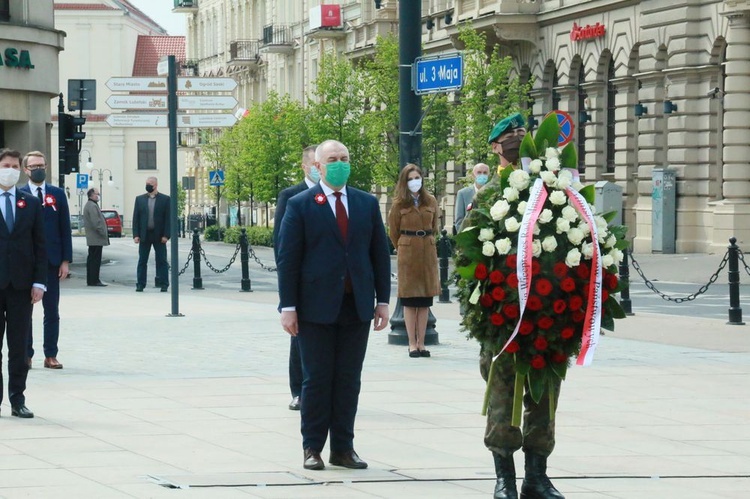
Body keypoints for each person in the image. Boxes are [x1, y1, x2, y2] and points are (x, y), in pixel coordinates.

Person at [276, 139, 391, 471]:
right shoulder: (300, 204)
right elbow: (289, 259)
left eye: (344, 158)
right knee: (317, 379)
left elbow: (379, 254)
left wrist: (382, 301)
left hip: (355, 306)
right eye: (332, 159)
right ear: (318, 166)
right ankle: (312, 447)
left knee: (348, 379)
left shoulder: (366, 203)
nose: (339, 163)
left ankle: (343, 447)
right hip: (314, 308)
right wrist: (288, 306)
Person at [476, 113, 563, 499]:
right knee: (503, 396)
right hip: (505, 316)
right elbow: (473, 257)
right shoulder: (489, 196)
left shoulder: (554, 188)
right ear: (496, 147)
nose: (516, 141)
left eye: (520, 136)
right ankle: (504, 477)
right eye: (509, 137)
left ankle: (537, 476)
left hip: (548, 314)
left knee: (544, 397)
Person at [0, 148, 46, 418]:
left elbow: (40, 246)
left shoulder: (29, 203)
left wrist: (40, 281)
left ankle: (18, 399)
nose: (10, 169)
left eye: (15, 166)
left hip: (21, 286)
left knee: (18, 347)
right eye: (6, 165)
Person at [273, 145, 318, 412]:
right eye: (315, 163)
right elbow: (281, 243)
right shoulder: (290, 196)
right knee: (298, 338)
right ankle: (298, 391)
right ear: (305, 166)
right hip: (301, 281)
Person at [20, 151, 72, 369]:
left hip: (51, 261)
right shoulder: (18, 193)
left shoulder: (57, 194)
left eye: (41, 165)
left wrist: (65, 261)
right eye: (33, 166)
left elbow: (65, 228)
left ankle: (50, 354)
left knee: (52, 310)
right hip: (25, 262)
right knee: (25, 311)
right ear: (26, 170)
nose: (37, 169)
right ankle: (26, 353)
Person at [387, 163, 440, 358]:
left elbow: (435, 226)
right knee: (410, 302)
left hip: (427, 249)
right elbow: (393, 231)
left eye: (417, 178)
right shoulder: (399, 203)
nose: (414, 182)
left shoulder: (431, 200)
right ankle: (411, 343)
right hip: (408, 252)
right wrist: (404, 245)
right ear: (404, 182)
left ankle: (422, 343)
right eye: (410, 179)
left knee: (425, 301)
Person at [132, 177, 170, 292]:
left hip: (159, 236)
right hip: (144, 235)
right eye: (147, 183)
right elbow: (136, 218)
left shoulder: (165, 199)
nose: (148, 185)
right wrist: (136, 235)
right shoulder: (140, 199)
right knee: (142, 260)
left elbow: (168, 219)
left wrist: (166, 235)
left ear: (156, 185)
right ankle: (140, 284)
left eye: (150, 184)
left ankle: (164, 284)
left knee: (162, 260)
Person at [82, 188, 110, 287]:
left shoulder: (90, 205)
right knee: (95, 260)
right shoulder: (92, 206)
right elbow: (96, 222)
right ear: (91, 195)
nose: (98, 196)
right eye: (96, 194)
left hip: (94, 238)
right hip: (96, 238)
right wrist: (103, 232)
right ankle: (94, 280)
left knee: (92, 259)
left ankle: (92, 280)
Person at [454, 162, 490, 233]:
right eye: (479, 172)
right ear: (473, 175)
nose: (482, 175)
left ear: (488, 175)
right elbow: (459, 221)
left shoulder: (494, 192)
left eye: (485, 173)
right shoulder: (463, 193)